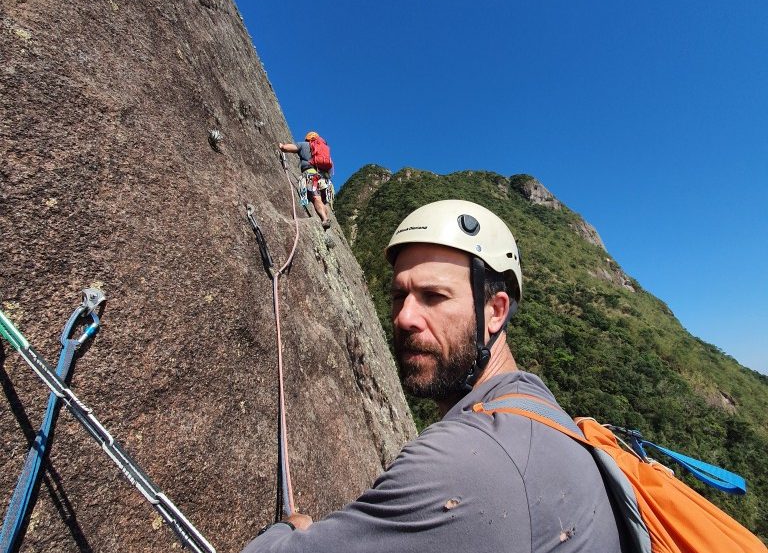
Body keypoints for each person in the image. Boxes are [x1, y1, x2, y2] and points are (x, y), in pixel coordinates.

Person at [242, 200, 628, 553]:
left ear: (495, 311)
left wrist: (287, 533)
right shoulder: (545, 415)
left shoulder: (464, 462)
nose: (404, 317)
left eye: (433, 296)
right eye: (399, 296)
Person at [278, 132, 332, 229]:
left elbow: (287, 148)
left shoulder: (304, 145)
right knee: (324, 202)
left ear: (307, 139)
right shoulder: (323, 150)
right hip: (324, 178)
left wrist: (282, 146)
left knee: (316, 198)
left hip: (311, 176)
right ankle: (326, 218)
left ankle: (324, 219)